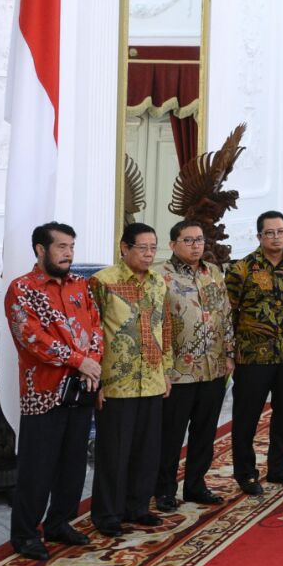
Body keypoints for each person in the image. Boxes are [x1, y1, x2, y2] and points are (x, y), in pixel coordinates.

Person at [4, 222, 103, 560]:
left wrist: (93, 361)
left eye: (71, 247)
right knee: (38, 467)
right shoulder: (22, 289)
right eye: (61, 247)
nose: (68, 254)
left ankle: (60, 522)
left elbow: (96, 327)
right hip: (43, 392)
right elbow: (33, 340)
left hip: (82, 387)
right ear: (41, 250)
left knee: (73, 463)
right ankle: (25, 534)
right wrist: (80, 361)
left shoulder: (81, 285)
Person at [89, 223, 173, 536]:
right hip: (116, 382)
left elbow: (165, 327)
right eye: (143, 248)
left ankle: (138, 507)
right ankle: (107, 514)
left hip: (151, 378)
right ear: (124, 248)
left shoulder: (158, 283)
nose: (150, 254)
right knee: (114, 452)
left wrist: (166, 371)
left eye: (153, 248)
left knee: (147, 450)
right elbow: (92, 333)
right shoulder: (103, 282)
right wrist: (96, 381)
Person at [226, 210, 283, 496]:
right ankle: (246, 473)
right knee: (246, 416)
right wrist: (230, 351)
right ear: (259, 236)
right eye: (270, 233)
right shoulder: (241, 269)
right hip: (253, 357)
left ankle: (279, 468)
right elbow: (229, 313)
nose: (276, 237)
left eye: (281, 232)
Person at [154, 220, 234, 512]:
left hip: (212, 368)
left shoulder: (212, 272)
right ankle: (163, 489)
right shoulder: (160, 275)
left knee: (205, 431)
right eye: (188, 240)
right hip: (178, 372)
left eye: (199, 240)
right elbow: (155, 323)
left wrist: (229, 354)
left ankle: (196, 485)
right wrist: (160, 369)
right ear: (173, 244)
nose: (196, 245)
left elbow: (224, 313)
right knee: (171, 435)